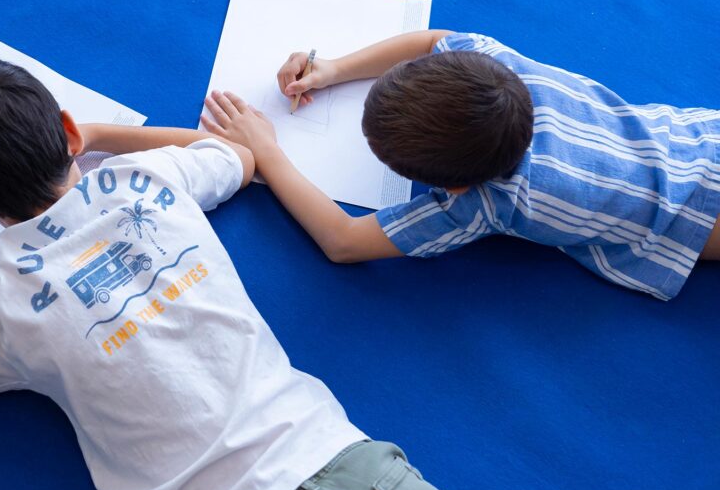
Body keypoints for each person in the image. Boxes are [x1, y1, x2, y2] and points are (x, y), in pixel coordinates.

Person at [0, 55, 446, 490]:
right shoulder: (151, 178)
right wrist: (95, 138)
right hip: (348, 463)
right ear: (67, 132)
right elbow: (240, 158)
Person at [202, 30, 720, 300]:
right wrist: (333, 69)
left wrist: (268, 151)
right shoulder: (496, 67)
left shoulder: (484, 204)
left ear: (451, 185)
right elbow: (433, 41)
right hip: (697, 142)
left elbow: (343, 241)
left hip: (687, 218)